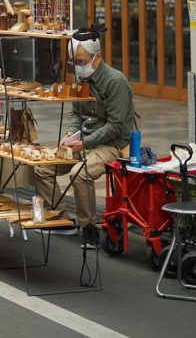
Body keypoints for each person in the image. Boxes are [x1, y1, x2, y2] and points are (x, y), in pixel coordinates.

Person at [33, 26, 133, 249]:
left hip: (112, 144)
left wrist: (84, 143)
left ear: (97, 58)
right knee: (42, 167)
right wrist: (70, 131)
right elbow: (75, 112)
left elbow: (116, 126)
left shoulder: (115, 81)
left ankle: (88, 226)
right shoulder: (80, 80)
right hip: (83, 140)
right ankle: (60, 218)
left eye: (81, 61)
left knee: (80, 174)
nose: (78, 67)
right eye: (74, 62)